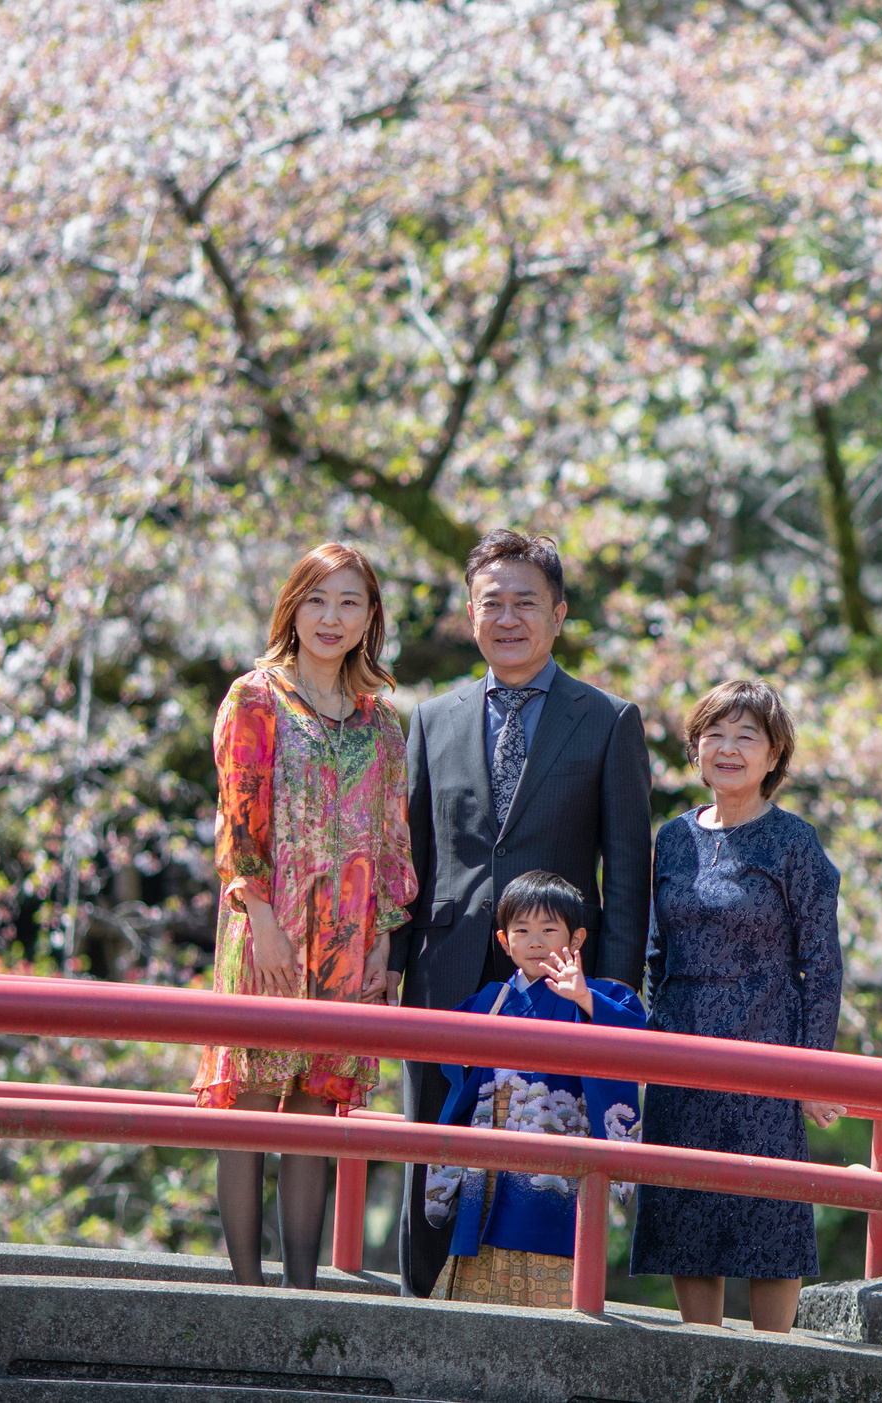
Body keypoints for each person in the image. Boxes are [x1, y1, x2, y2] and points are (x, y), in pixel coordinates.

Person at [392, 528, 652, 1298]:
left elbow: (628, 872)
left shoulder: (607, 719)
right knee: (433, 1145)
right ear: (470, 614)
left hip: (558, 977)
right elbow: (412, 856)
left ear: (560, 613)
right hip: (446, 968)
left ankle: (546, 1319)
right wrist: (392, 963)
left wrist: (609, 1000)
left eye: (526, 603)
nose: (508, 618)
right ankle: (419, 1307)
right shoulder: (433, 718)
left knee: (549, 1159)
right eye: (491, 602)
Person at [192, 541, 416, 1289]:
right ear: (293, 605)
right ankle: (249, 1290)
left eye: (349, 602)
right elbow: (238, 819)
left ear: (369, 618)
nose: (331, 616)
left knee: (316, 1109)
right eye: (317, 598)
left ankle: (302, 1291)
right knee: (253, 1099)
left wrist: (384, 940)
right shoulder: (254, 698)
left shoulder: (382, 724)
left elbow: (391, 841)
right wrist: (259, 916)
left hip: (350, 936)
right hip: (268, 922)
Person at [630, 678, 845, 1333]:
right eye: (712, 734)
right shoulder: (671, 838)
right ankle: (702, 1358)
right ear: (694, 749)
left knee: (769, 1216)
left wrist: (814, 1067)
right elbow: (651, 954)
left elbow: (823, 962)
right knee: (687, 1211)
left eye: (745, 735)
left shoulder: (793, 842)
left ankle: (772, 1364)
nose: (727, 747)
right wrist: (642, 1041)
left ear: (774, 754)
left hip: (766, 1053)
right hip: (681, 1052)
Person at [423, 870, 646, 1308]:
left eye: (549, 929)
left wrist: (584, 999)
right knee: (483, 1236)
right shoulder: (492, 999)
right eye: (522, 931)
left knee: (549, 1231)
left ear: (576, 938)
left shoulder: (601, 994)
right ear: (505, 942)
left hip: (557, 1150)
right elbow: (445, 1044)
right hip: (493, 1141)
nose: (535, 941)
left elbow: (639, 1038)